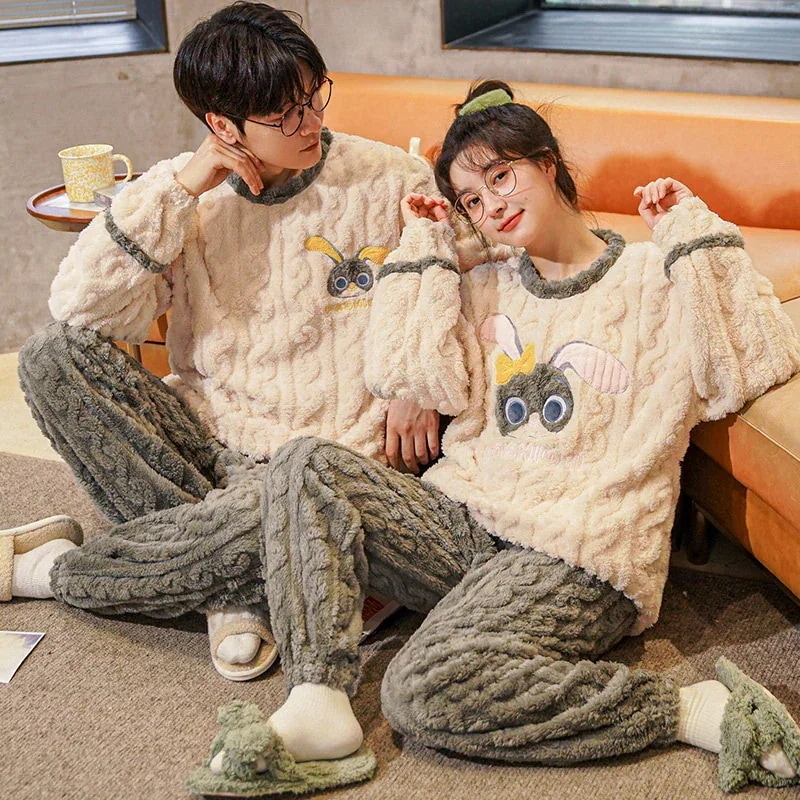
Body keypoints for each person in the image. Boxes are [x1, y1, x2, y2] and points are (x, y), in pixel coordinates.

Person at [185, 81, 800, 796]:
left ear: (548, 164)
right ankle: (318, 695)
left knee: (422, 689)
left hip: (575, 546)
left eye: (502, 177)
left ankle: (689, 708)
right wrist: (428, 249)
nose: (493, 206)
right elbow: (409, 374)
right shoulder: (488, 283)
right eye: (472, 200)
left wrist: (693, 239)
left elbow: (753, 364)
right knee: (305, 463)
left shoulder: (652, 276)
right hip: (469, 522)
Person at [1, 2, 443, 682]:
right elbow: (83, 311)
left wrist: (415, 382)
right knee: (50, 359)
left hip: (329, 457)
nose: (312, 123)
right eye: (286, 114)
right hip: (214, 439)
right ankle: (238, 577)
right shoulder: (189, 197)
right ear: (223, 126)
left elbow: (454, 287)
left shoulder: (390, 179)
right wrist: (181, 189)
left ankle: (64, 570)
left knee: (294, 500)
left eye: (315, 97)